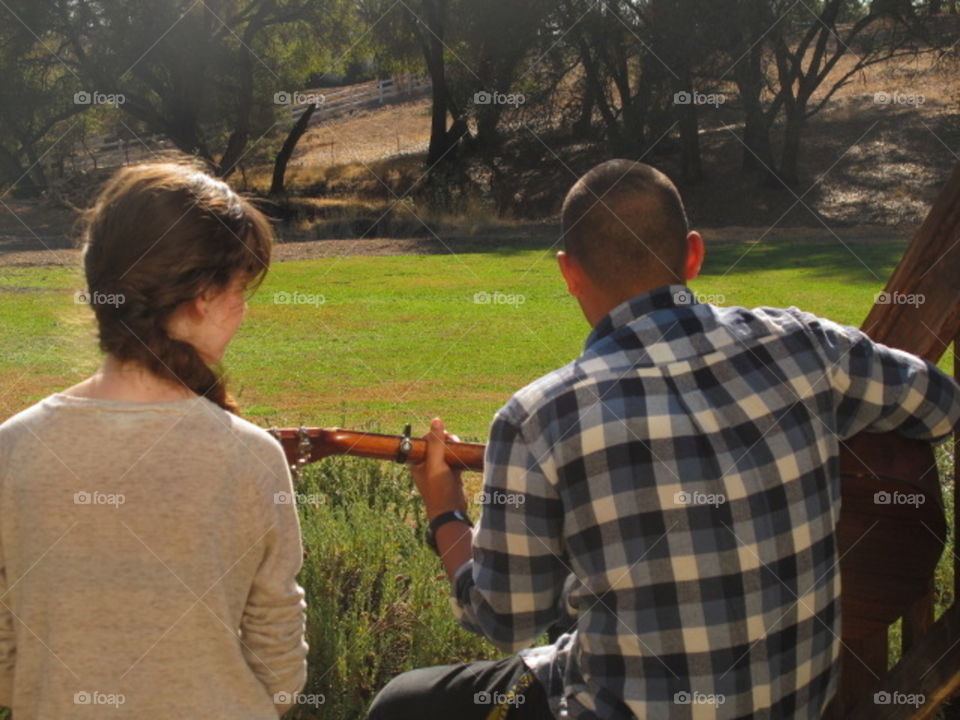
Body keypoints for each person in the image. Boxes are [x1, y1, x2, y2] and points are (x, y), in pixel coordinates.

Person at [368, 160, 960, 720]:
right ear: (694, 254)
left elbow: (502, 617)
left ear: (569, 273)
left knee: (403, 703)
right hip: (793, 704)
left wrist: (445, 510)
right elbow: (940, 407)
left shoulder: (539, 417)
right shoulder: (807, 344)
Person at [0, 164, 308, 719]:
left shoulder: (13, 449)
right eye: (240, 289)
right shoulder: (251, 457)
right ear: (203, 297)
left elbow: (5, 657)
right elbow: (279, 665)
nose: (245, 309)